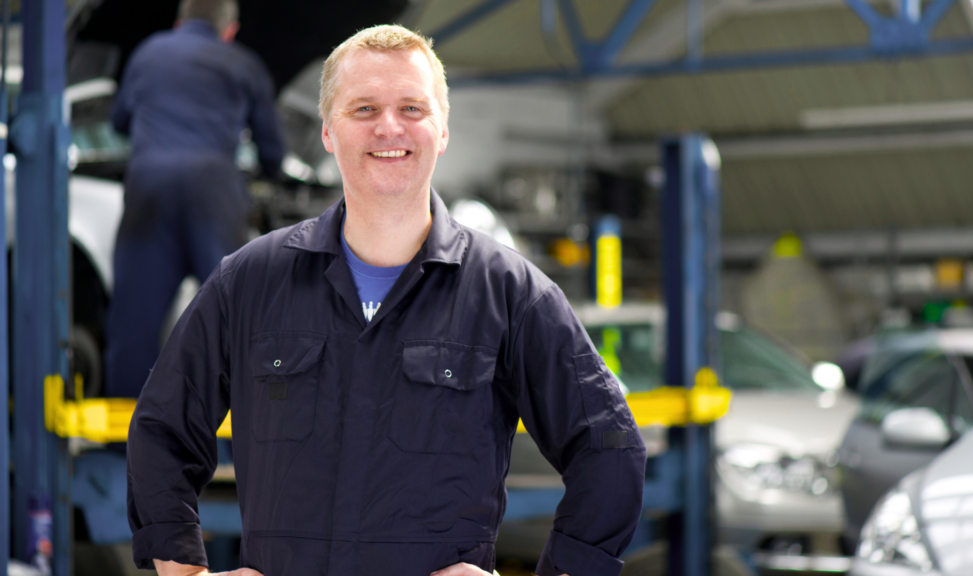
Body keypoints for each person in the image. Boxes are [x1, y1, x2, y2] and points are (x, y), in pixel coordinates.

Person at [126, 24, 645, 576]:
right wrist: (185, 573)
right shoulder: (249, 283)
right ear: (329, 130)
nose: (389, 127)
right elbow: (161, 430)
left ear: (442, 130)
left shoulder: (511, 294)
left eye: (413, 108)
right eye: (364, 108)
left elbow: (609, 447)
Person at [106, 0, 285, 400]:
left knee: (135, 317)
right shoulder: (244, 63)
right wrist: (267, 172)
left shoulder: (149, 52)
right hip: (212, 188)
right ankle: (238, 436)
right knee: (233, 315)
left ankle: (125, 441)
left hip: (148, 185)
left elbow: (118, 120)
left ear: (178, 22)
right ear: (230, 30)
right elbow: (272, 150)